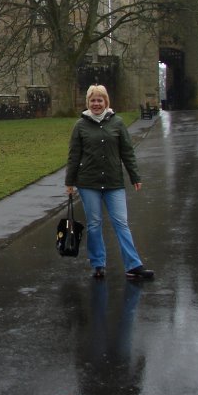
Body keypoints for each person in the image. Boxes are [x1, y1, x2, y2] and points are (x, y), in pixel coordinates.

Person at [65, 84, 154, 280]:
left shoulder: (118, 123)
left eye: (100, 100)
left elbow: (127, 152)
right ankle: (98, 264)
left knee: (121, 223)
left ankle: (133, 265)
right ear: (88, 103)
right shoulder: (80, 126)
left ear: (106, 102)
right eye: (93, 100)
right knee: (94, 224)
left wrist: (135, 176)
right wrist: (69, 182)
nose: (96, 104)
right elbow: (74, 156)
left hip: (114, 182)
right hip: (88, 183)